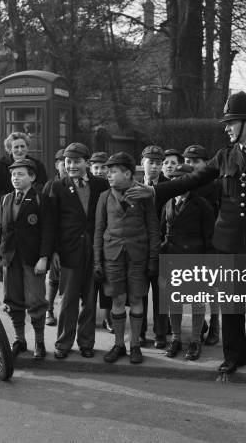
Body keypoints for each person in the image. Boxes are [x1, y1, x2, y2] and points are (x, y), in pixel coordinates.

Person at [125, 91, 246, 378]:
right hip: (226, 243)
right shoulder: (224, 157)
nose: (226, 128)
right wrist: (155, 190)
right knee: (231, 305)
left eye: (231, 122)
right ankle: (234, 356)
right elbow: (192, 179)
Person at [93, 152, 159, 364]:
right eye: (108, 171)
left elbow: (153, 228)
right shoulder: (104, 197)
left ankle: (136, 345)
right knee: (118, 299)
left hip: (138, 256)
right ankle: (119, 344)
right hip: (112, 256)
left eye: (113, 172)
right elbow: (99, 230)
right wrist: (97, 261)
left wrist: (152, 260)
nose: (108, 175)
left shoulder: (144, 195)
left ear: (128, 173)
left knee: (137, 299)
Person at [47, 142, 109, 359]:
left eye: (76, 161)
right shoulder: (58, 186)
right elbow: (51, 222)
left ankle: (86, 342)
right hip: (68, 250)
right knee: (67, 300)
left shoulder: (101, 184)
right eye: (68, 161)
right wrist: (53, 250)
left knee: (90, 300)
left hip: (93, 250)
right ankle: (63, 343)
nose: (71, 165)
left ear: (87, 163)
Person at [0, 158, 53, 360]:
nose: (15, 178)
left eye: (20, 174)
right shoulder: (5, 199)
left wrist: (44, 258)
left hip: (32, 259)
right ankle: (20, 339)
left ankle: (39, 342)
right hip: (10, 258)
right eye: (13, 175)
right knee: (12, 300)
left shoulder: (41, 199)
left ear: (32, 177)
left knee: (36, 300)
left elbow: (48, 231)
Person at [160, 163, 215, 360]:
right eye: (174, 179)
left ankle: (195, 340)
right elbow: (162, 232)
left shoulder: (202, 205)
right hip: (172, 260)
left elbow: (210, 238)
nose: (177, 183)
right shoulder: (168, 204)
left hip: (195, 260)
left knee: (197, 303)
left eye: (181, 180)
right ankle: (175, 339)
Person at [183, 144, 222, 345]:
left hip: (211, 244)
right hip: (189, 246)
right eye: (188, 161)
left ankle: (215, 325)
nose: (191, 165)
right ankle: (201, 324)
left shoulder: (215, 186)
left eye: (196, 161)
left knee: (213, 289)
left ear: (205, 164)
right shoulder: (182, 184)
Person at [139, 145, 169, 348]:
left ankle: (160, 333)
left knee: (161, 292)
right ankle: (140, 332)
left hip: (163, 248)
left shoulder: (169, 186)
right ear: (142, 164)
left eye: (159, 163)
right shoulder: (133, 186)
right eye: (151, 163)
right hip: (140, 248)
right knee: (139, 292)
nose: (155, 167)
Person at [0, 132, 48, 212]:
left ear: (27, 148)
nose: (20, 150)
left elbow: (41, 187)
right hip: (6, 209)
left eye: (22, 146)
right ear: (10, 149)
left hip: (31, 209)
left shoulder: (38, 165)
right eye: (16, 147)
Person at [89, 151, 113, 333]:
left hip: (108, 241)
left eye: (103, 167)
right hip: (88, 239)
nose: (99, 171)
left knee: (107, 283)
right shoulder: (88, 186)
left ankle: (108, 317)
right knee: (88, 285)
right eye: (96, 167)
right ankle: (89, 317)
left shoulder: (112, 186)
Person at [43, 149, 67, 326]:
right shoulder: (51, 185)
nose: (66, 165)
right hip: (56, 237)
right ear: (56, 165)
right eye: (62, 162)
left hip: (74, 238)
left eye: (69, 161)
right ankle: (49, 309)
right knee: (54, 276)